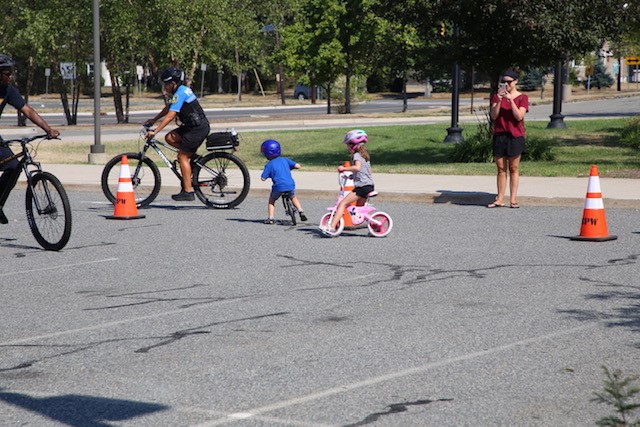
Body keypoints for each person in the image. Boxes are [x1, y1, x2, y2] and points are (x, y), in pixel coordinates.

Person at [0, 54, 60, 224]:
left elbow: (28, 110)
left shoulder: (8, 90)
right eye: (6, 73)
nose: (10, 76)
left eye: (11, 72)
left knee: (13, 166)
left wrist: (48, 129)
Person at [145, 67, 210, 201]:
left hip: (197, 129)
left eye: (166, 84)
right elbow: (168, 108)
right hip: (191, 127)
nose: (165, 87)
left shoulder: (180, 93)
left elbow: (170, 116)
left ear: (173, 83)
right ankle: (193, 159)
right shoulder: (179, 91)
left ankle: (188, 191)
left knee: (182, 156)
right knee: (170, 138)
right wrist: (153, 120)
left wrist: (155, 131)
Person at [487, 68, 529, 209]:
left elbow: (519, 116)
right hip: (500, 134)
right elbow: (493, 115)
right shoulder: (496, 96)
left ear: (516, 81)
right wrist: (499, 100)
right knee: (500, 169)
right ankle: (499, 198)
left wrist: (511, 101)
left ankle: (513, 199)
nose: (506, 85)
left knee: (514, 168)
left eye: (509, 82)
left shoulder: (522, 98)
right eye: (503, 82)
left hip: (515, 136)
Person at [320, 129, 374, 235]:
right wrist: (353, 177)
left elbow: (357, 167)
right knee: (359, 210)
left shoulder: (357, 155)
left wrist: (344, 169)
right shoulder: (365, 155)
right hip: (369, 185)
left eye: (348, 145)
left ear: (353, 145)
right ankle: (375, 225)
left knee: (342, 204)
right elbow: (367, 171)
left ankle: (330, 227)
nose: (347, 148)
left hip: (361, 187)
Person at [260, 139, 307, 224]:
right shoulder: (285, 160)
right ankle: (301, 210)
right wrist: (291, 167)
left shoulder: (269, 165)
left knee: (272, 200)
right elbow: (298, 166)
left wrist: (269, 175)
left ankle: (271, 218)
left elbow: (263, 178)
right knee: (293, 197)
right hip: (290, 185)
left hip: (278, 187)